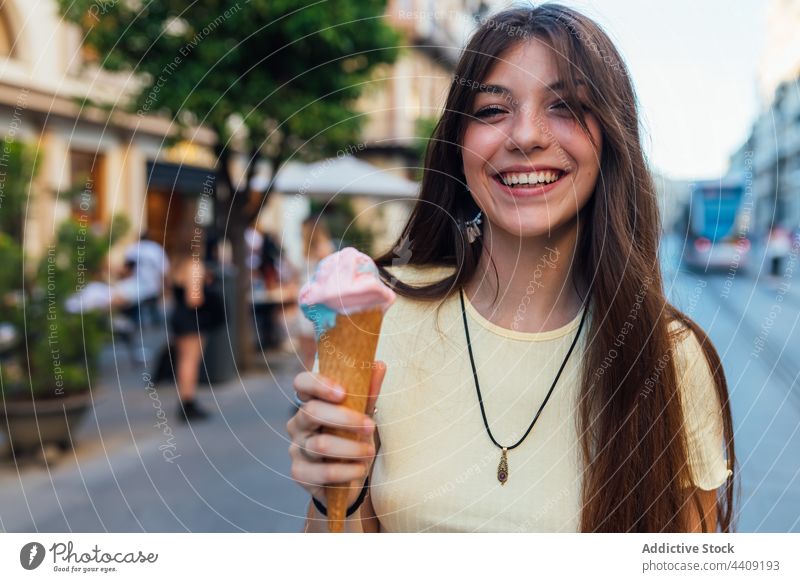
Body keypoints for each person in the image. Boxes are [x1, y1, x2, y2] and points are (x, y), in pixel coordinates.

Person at [286, 4, 735, 533]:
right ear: (458, 145)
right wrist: (331, 495)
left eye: (566, 106)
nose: (525, 135)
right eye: (492, 111)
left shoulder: (671, 356)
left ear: (612, 141)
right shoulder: (380, 316)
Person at [170, 244, 224, 422]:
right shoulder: (193, 265)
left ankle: (186, 401)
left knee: (183, 361)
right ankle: (188, 402)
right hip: (192, 320)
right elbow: (194, 299)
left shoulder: (176, 264)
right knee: (190, 362)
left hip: (179, 316)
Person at [285, 215, 334, 369]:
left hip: (308, 304)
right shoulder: (324, 248)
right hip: (319, 304)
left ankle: (310, 386)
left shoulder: (304, 252)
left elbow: (294, 280)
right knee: (318, 354)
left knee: (309, 355)